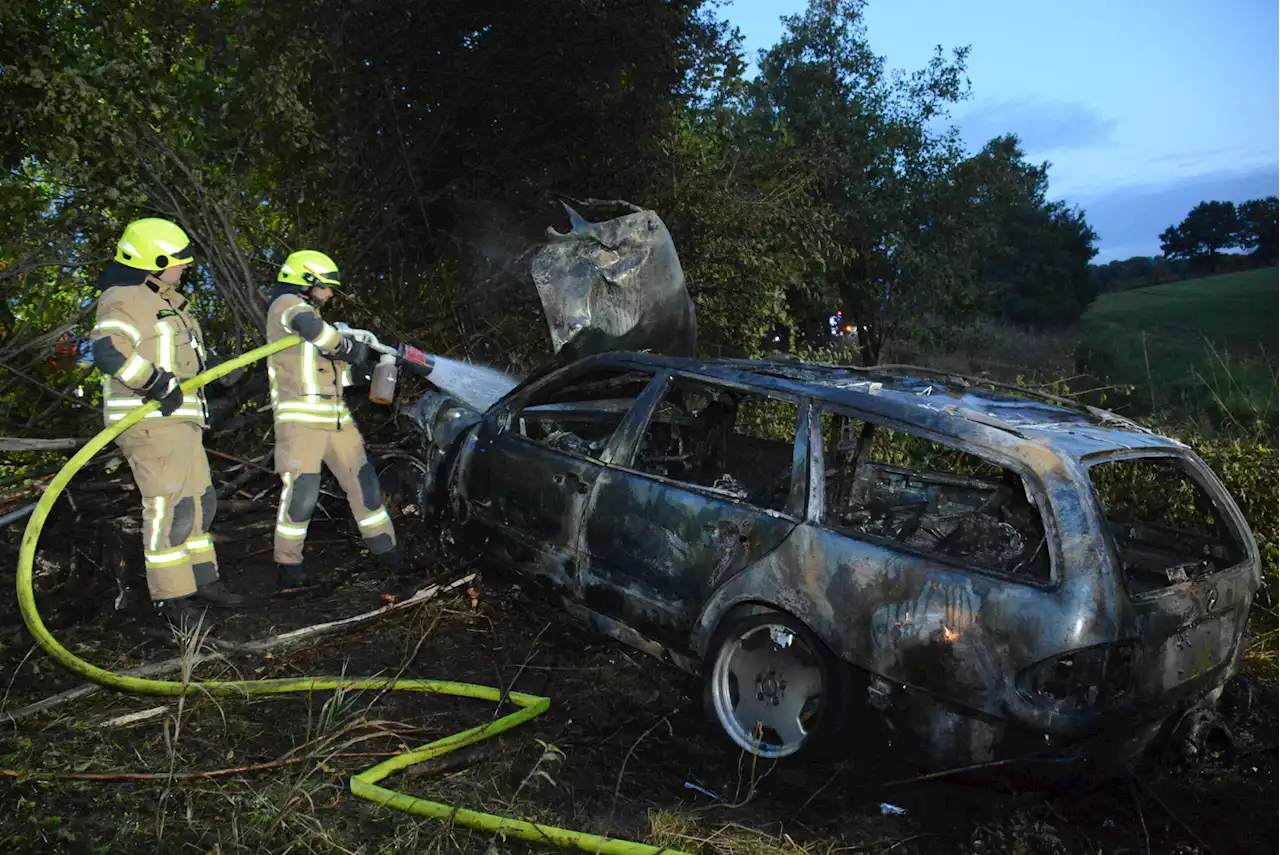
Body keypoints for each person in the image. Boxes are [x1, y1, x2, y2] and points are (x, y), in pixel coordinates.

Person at [89, 217, 245, 629]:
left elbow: (179, 361)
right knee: (169, 510)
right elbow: (108, 351)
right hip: (150, 424)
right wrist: (155, 382)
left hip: (183, 423)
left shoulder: (169, 301)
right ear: (153, 261)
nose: (184, 269)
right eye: (177, 262)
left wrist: (216, 372)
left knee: (200, 503)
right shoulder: (124, 298)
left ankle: (202, 580)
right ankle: (171, 601)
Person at [265, 249, 414, 591]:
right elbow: (315, 332)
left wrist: (366, 369)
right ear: (306, 281)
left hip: (335, 417)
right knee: (302, 495)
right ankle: (289, 569)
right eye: (326, 286)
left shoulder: (317, 320)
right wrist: (347, 346)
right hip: (300, 418)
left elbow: (336, 371)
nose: (330, 294)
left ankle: (388, 554)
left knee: (365, 486)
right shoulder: (287, 305)